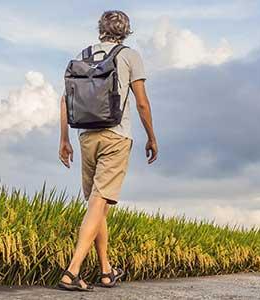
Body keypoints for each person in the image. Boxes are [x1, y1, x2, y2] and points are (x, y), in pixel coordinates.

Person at [57, 10, 158, 291]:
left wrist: (64, 139)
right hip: (116, 136)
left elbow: (65, 100)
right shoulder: (129, 56)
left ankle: (105, 271)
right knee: (98, 203)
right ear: (126, 31)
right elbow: (142, 103)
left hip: (86, 136)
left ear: (100, 29)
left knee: (97, 205)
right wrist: (152, 137)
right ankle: (72, 271)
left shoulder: (84, 55)